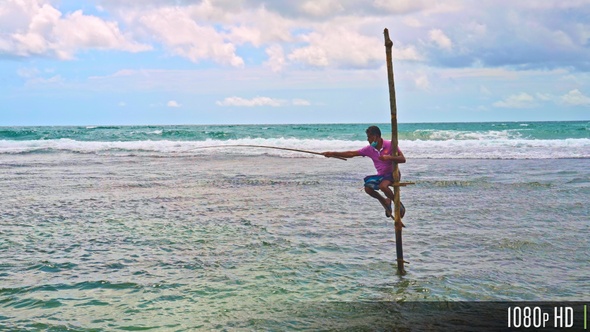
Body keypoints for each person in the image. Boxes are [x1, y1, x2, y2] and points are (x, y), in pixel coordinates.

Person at [322, 125, 406, 219]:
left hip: (393, 174)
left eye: (369, 137)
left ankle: (398, 204)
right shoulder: (369, 149)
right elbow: (352, 153)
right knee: (367, 188)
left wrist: (389, 157)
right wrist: (332, 153)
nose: (368, 140)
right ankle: (385, 201)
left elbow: (403, 159)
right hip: (381, 176)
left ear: (376, 137)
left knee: (383, 186)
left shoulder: (390, 145)